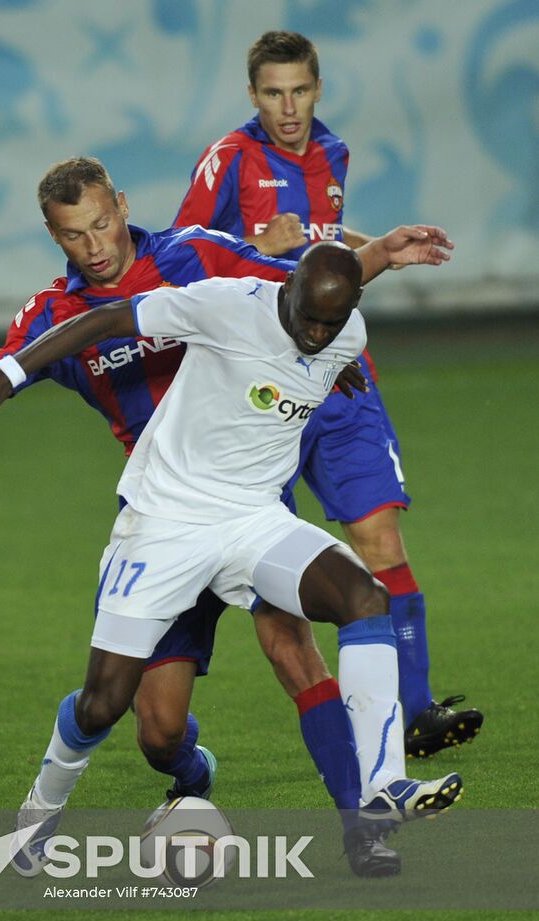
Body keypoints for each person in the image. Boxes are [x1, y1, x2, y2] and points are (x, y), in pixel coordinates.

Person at [0, 159, 458, 876]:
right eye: (75, 235)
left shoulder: (196, 256)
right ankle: (123, 796)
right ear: (53, 235)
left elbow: (306, 286)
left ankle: (368, 817)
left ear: (122, 207)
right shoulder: (54, 317)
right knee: (135, 719)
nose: (95, 244)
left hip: (251, 511)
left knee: (322, 627)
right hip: (162, 523)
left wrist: (364, 276)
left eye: (102, 223)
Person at [173, 30, 483, 758]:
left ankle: (416, 713)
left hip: (340, 379)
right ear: (253, 95)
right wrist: (260, 248)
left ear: (318, 88)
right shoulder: (229, 160)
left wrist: (375, 250)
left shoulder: (331, 154)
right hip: (258, 396)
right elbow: (181, 269)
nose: (288, 107)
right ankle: (343, 742)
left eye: (300, 91)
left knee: (380, 539)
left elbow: (320, 249)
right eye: (273, 93)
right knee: (280, 588)